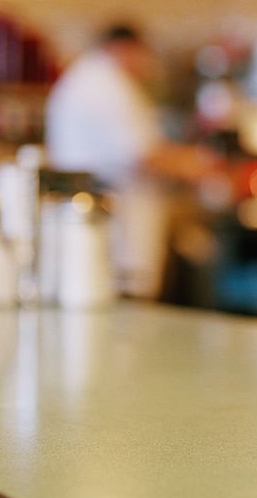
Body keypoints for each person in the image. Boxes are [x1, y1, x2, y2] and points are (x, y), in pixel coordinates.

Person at [45, 25, 218, 299]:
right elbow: (143, 153)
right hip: (115, 226)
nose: (146, 65)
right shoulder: (107, 83)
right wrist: (200, 166)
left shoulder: (86, 77)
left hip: (92, 220)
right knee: (122, 307)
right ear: (125, 49)